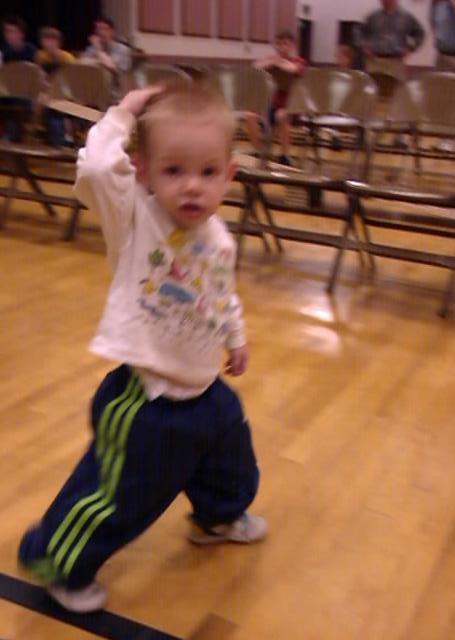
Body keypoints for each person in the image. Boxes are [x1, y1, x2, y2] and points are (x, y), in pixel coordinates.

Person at [18, 82, 267, 614]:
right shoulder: (134, 217)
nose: (192, 186)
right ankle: (56, 560)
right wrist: (124, 112)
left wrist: (236, 336)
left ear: (229, 176)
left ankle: (218, 516)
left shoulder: (218, 238)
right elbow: (95, 170)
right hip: (146, 399)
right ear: (145, 171)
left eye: (207, 172)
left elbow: (220, 293)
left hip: (203, 387)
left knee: (230, 453)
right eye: (173, 171)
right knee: (117, 492)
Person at [246, 30, 306, 166]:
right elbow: (255, 67)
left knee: (281, 115)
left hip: (291, 107)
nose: (281, 47)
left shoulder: (298, 61)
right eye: (278, 44)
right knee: (249, 115)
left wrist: (278, 62)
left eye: (285, 44)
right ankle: (260, 151)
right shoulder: (270, 59)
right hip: (270, 105)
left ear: (292, 46)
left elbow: (294, 69)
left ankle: (285, 155)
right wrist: (271, 62)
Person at [361, 0, 425, 81]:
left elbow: (420, 33)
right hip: (374, 61)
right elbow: (359, 32)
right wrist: (364, 46)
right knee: (373, 87)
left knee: (397, 88)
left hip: (395, 62)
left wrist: (410, 48)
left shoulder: (406, 17)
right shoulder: (373, 16)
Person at [36, 27, 75, 146]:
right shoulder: (40, 56)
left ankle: (68, 136)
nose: (49, 44)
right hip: (47, 90)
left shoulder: (67, 57)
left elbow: (73, 78)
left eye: (52, 41)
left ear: (59, 42)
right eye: (46, 40)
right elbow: (39, 74)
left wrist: (56, 56)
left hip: (65, 91)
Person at [0, 16, 37, 142]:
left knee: (18, 104)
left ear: (21, 34)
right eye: (6, 31)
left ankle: (11, 140)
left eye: (12, 31)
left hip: (26, 93)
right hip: (6, 91)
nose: (9, 35)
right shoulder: (3, 51)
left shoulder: (30, 50)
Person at [81, 15, 131, 102]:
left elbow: (111, 66)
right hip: (94, 93)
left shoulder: (122, 49)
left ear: (112, 32)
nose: (100, 32)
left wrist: (98, 50)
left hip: (115, 95)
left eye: (104, 29)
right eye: (97, 29)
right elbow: (82, 64)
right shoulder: (92, 49)